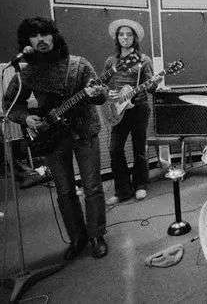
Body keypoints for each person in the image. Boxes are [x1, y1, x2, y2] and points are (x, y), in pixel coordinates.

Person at [2, 17, 109, 260]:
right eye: (34, 35)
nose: (40, 39)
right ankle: (78, 237)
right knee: (64, 190)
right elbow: (10, 104)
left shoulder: (79, 65)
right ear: (27, 42)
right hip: (51, 136)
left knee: (92, 187)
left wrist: (96, 93)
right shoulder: (27, 72)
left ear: (54, 36)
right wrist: (27, 118)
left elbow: (101, 97)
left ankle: (96, 235)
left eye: (45, 34)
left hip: (84, 131)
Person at [104, 19, 155, 205]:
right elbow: (103, 85)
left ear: (134, 38)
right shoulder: (111, 61)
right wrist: (108, 93)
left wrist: (153, 83)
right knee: (115, 149)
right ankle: (123, 190)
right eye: (121, 34)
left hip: (139, 108)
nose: (125, 37)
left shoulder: (144, 60)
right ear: (117, 38)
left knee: (139, 148)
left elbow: (152, 88)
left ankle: (140, 184)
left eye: (129, 34)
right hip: (118, 110)